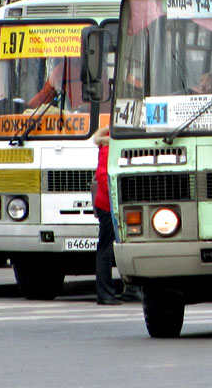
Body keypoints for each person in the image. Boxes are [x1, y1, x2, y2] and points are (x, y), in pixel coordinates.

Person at [92, 124, 123, 305]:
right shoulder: (110, 144)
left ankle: (132, 290)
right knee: (106, 250)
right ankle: (104, 293)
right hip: (109, 206)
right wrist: (117, 199)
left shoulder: (115, 141)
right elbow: (103, 175)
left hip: (114, 205)